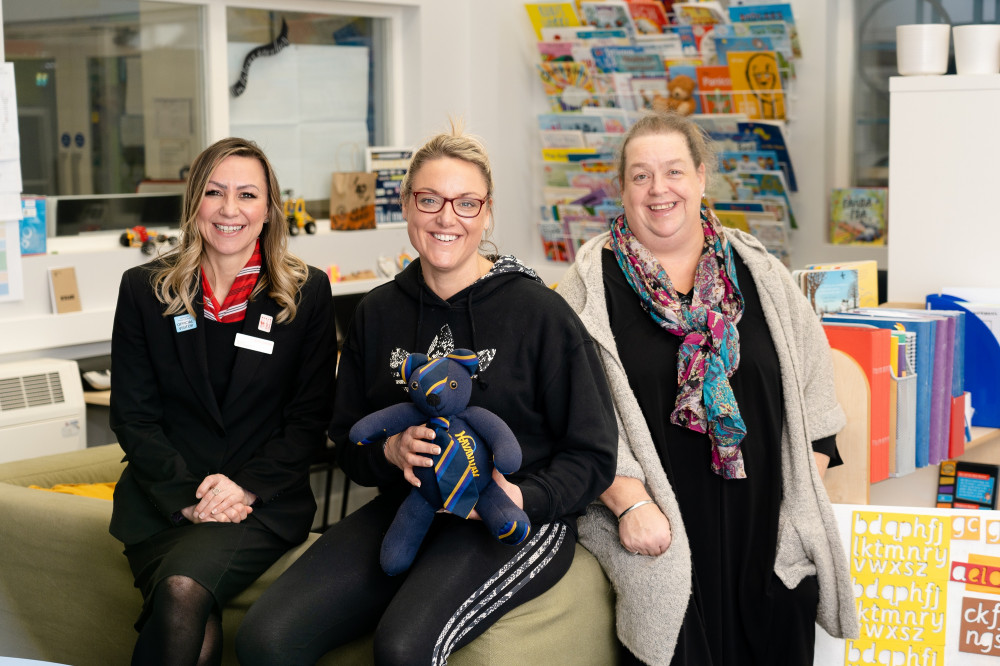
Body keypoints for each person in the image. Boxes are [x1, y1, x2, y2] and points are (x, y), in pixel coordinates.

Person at [236, 125, 617, 665]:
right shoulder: (378, 311)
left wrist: (522, 498)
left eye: (466, 203)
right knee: (266, 638)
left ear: (486, 214)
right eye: (430, 199)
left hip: (513, 518)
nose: (446, 218)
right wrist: (388, 452)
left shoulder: (540, 313)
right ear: (407, 207)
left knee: (402, 647)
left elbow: (594, 454)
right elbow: (347, 443)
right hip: (406, 507)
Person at [556, 111, 859, 665]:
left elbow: (818, 402)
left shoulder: (761, 272)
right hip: (659, 537)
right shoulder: (585, 291)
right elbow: (570, 416)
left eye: (673, 171)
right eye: (640, 176)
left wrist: (797, 511)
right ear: (622, 188)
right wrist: (628, 507)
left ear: (700, 177)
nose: (658, 189)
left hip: (766, 532)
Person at [109, 137, 336, 666]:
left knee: (184, 590)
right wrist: (189, 497)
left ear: (268, 210)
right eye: (214, 192)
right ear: (194, 204)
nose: (230, 209)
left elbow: (308, 420)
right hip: (161, 503)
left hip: (259, 505)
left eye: (247, 195)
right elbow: (133, 415)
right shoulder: (147, 288)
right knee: (191, 611)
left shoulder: (305, 293)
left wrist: (242, 490)